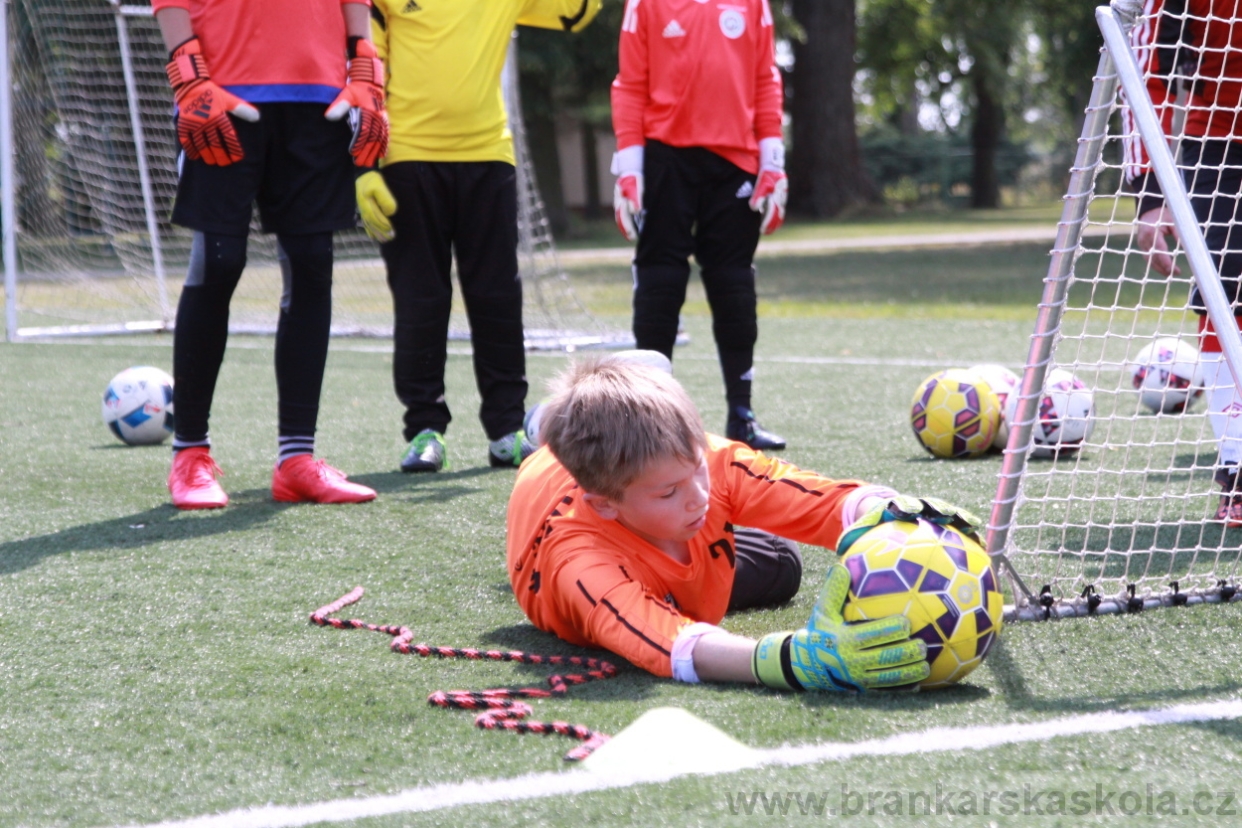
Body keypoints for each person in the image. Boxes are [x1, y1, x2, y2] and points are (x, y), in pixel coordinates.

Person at [505, 353, 982, 689]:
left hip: (659, 505)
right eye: (669, 491)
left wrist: (885, 508)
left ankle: (596, 399)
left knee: (779, 561)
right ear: (607, 504)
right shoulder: (580, 561)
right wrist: (792, 659)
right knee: (777, 563)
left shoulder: (711, 462)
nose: (698, 499)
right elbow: (674, 646)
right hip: (557, 500)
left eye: (695, 470)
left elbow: (820, 500)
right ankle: (545, 427)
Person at [155, 0, 387, 509]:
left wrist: (366, 67)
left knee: (311, 267)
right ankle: (190, 455)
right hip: (220, 90)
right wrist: (188, 74)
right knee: (217, 262)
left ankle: (296, 459)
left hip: (319, 95)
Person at [355, 0, 601, 474]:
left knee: (497, 297)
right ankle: (425, 431)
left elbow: (577, 12)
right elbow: (365, 71)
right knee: (420, 298)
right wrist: (363, 167)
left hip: (489, 155)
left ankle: (507, 430)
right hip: (406, 156)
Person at [610, 0, 790, 452]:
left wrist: (773, 159)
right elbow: (629, 85)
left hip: (735, 161)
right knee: (661, 278)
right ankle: (648, 419)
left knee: (733, 283)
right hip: (665, 156)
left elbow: (765, 79)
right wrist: (629, 166)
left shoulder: (753, 4)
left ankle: (742, 416)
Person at [1128, 0, 1242, 525]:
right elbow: (1142, 65)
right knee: (1227, 304)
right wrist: (1150, 191)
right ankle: (1238, 469)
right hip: (1219, 144)